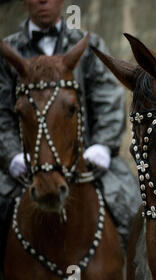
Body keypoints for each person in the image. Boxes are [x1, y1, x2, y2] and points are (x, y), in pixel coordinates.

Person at [0, 0, 140, 262]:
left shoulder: (90, 45)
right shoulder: (6, 52)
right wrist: (10, 156)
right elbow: (1, 113)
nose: (43, 1)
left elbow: (108, 98)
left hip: (86, 158)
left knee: (133, 208)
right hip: (25, 162)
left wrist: (102, 146)